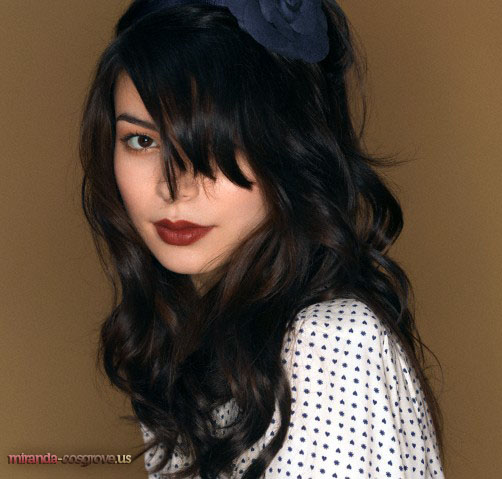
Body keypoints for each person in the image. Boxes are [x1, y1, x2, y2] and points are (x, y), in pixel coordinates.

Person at [79, 0, 446, 477]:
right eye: (142, 141)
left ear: (289, 150)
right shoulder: (194, 348)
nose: (173, 187)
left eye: (218, 143)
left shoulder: (327, 344)